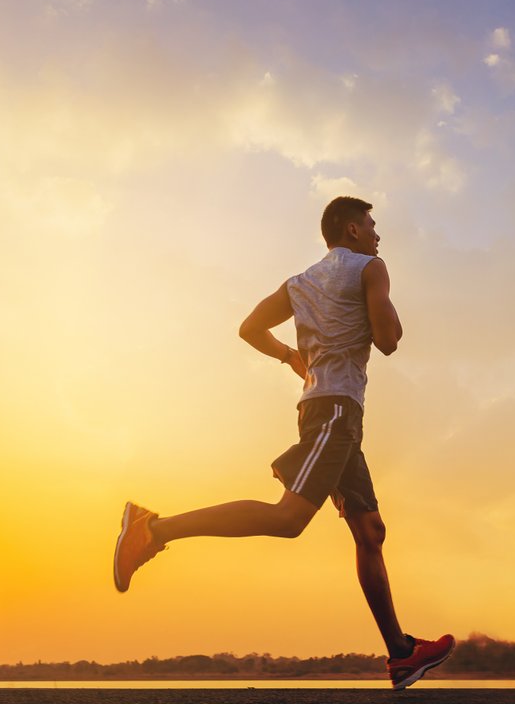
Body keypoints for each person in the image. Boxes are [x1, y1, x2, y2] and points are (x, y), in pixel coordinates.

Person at [112, 196, 454, 690]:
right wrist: (386, 305)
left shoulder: (301, 282)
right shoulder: (372, 268)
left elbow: (250, 328)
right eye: (371, 226)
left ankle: (401, 653)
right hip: (335, 411)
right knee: (288, 519)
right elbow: (388, 339)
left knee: (370, 531)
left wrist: (290, 357)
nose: (378, 235)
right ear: (352, 231)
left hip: (330, 411)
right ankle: (155, 528)